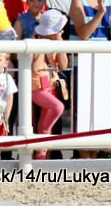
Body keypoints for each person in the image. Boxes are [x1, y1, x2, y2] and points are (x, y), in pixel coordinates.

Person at [30, 9, 68, 160]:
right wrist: (43, 44)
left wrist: (60, 44)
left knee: (44, 123)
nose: (62, 31)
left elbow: (63, 65)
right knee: (57, 108)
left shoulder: (57, 43)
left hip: (50, 86)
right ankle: (42, 141)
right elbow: (35, 68)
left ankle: (41, 156)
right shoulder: (36, 44)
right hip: (37, 87)